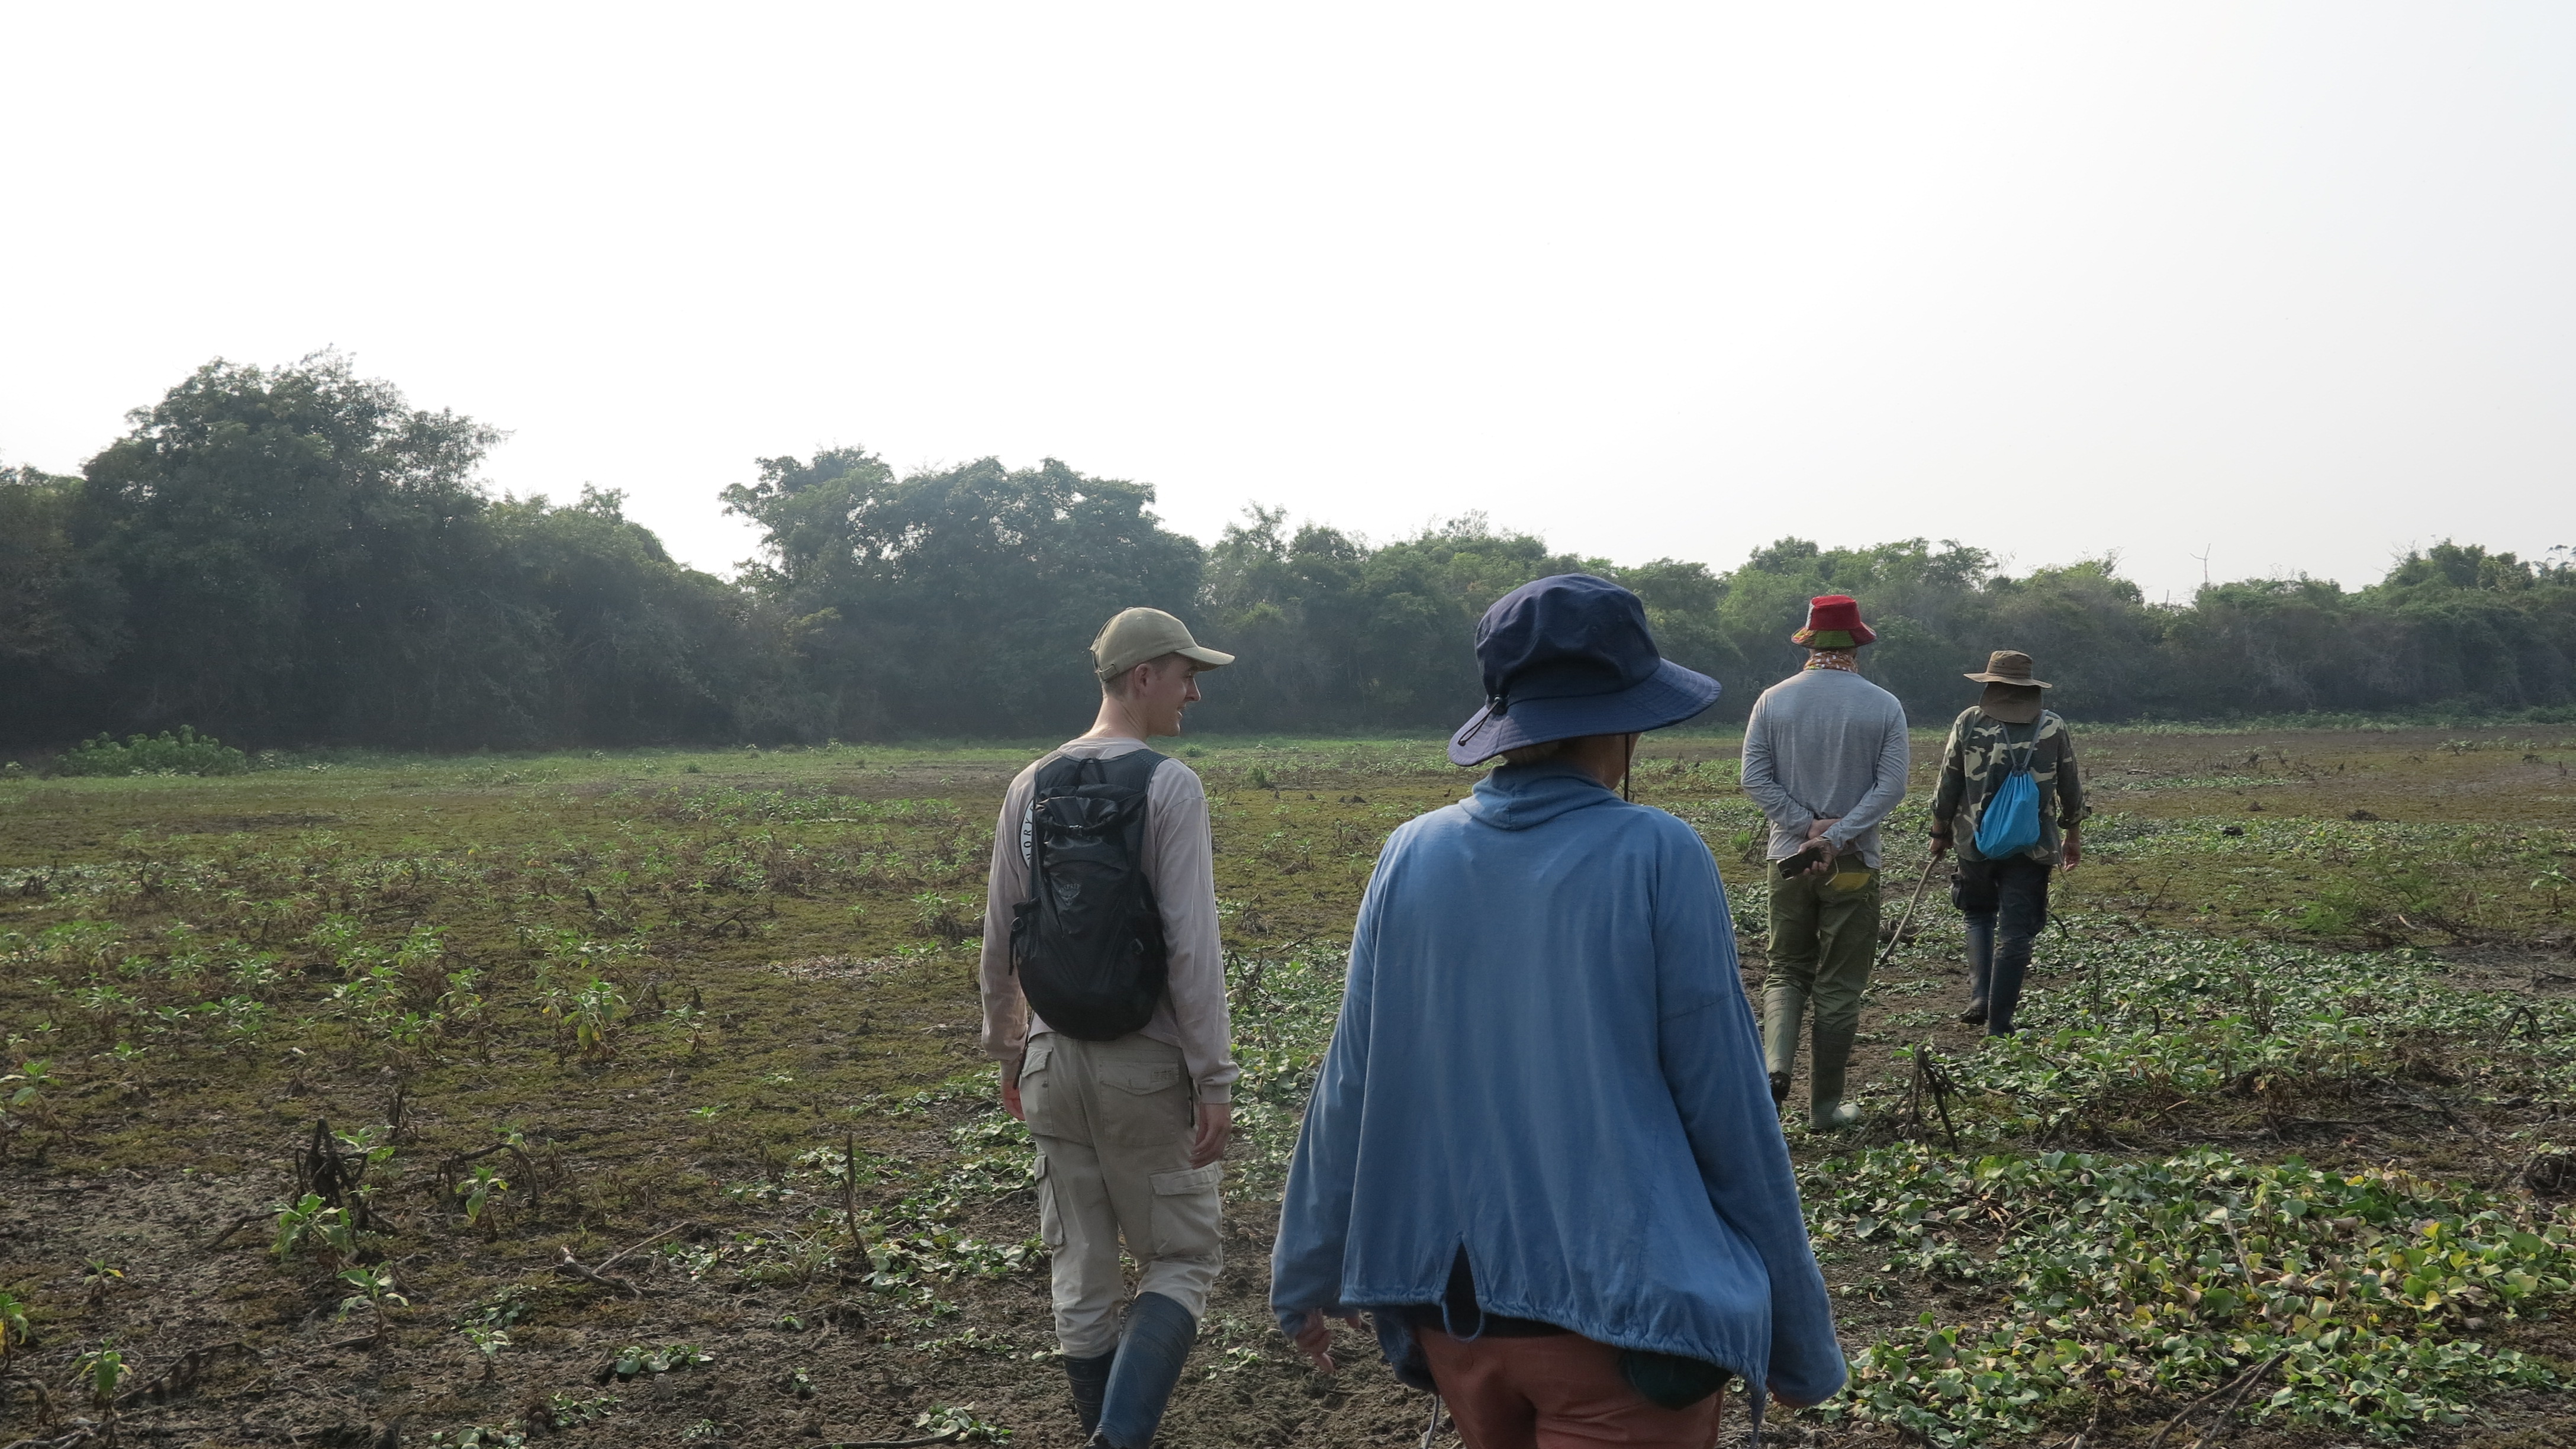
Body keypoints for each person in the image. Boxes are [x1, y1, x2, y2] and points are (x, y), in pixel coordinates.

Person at [1271, 574, 1847, 1449]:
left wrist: (1305, 1270)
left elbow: (1348, 1083)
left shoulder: (1409, 853)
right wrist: (1799, 1344)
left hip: (1455, 1322)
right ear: (1624, 722)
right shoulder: (1659, 854)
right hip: (1622, 1322)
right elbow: (1726, 1105)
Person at [978, 607, 1239, 1448]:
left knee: (1083, 1272)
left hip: (1051, 1061)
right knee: (1183, 1259)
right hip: (1145, 1065)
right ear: (1142, 677)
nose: (1194, 694)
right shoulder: (1170, 785)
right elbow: (1192, 946)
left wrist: (1010, 1054)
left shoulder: (1028, 785)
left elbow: (1001, 933)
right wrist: (1213, 1077)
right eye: (1186, 676)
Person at [1738, 594, 1911, 1129]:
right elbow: (1891, 787)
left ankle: (1775, 1070)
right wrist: (1837, 836)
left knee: (1786, 969)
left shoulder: (1772, 701)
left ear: (1809, 643)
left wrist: (1805, 827)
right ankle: (1826, 1107)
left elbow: (1754, 779)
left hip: (1788, 860)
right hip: (1854, 863)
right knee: (1839, 983)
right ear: (1857, 644)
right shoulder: (1884, 705)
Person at [1928, 649, 2086, 1035]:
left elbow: (1948, 782)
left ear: (1991, 685)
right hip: (2032, 845)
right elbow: (2070, 786)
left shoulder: (1968, 721)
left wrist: (1939, 832)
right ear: (2031, 688)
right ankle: (1999, 1026)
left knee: (1979, 913)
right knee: (2016, 934)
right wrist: (2072, 835)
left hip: (1974, 841)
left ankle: (1980, 997)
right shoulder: (2052, 725)